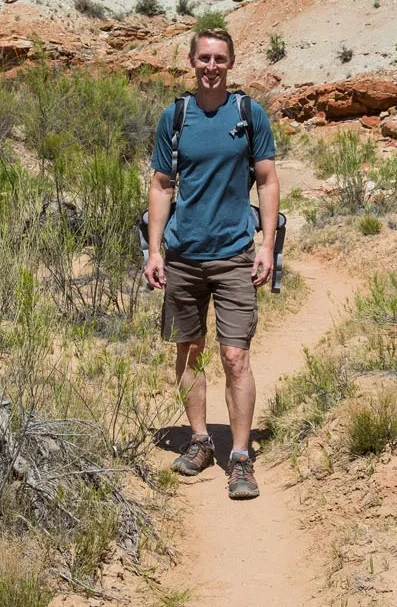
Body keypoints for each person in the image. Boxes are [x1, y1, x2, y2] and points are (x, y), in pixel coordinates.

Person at [144, 27, 279, 500]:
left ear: (231, 63)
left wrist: (266, 245)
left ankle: (240, 456)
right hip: (183, 255)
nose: (211, 67)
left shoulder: (248, 114)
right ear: (191, 61)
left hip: (234, 254)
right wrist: (155, 250)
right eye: (204, 58)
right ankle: (201, 440)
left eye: (219, 59)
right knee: (189, 350)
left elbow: (267, 180)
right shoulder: (175, 116)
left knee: (235, 356)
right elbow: (162, 185)